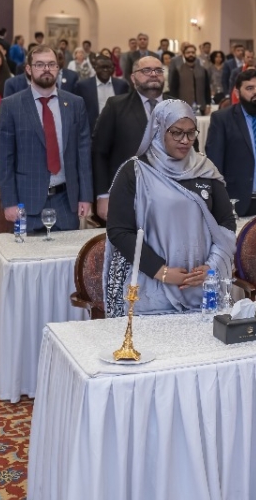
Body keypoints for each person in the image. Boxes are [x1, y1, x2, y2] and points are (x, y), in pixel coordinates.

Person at [103, 100, 237, 317]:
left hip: (201, 290)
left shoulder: (204, 169)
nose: (185, 141)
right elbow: (119, 231)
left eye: (191, 133)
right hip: (151, 291)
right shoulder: (135, 171)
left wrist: (211, 267)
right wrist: (161, 272)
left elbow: (226, 223)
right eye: (176, 133)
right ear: (159, 129)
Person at [0, 46, 94, 232]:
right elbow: (5, 158)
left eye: (51, 64)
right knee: (27, 259)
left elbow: (83, 153)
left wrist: (85, 196)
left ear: (58, 68)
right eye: (39, 65)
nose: (46, 69)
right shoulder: (11, 106)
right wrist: (9, 202)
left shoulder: (75, 103)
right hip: (26, 202)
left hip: (66, 201)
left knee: (67, 259)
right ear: (28, 69)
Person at [91, 55, 165, 221]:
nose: (154, 74)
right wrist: (102, 195)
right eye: (146, 70)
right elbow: (99, 152)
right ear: (133, 77)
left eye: (158, 70)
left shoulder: (177, 105)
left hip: (170, 197)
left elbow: (190, 151)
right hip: (127, 196)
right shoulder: (116, 106)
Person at [206, 69, 256, 217]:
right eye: (249, 88)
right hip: (239, 203)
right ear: (237, 93)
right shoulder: (222, 119)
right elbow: (214, 163)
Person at [77, 54, 130, 131]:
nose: (105, 70)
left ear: (113, 68)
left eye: (108, 67)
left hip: (117, 129)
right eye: (102, 67)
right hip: (93, 130)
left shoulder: (121, 85)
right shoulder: (83, 86)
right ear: (95, 68)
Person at [167, 44, 209, 113]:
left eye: (193, 52)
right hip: (182, 108)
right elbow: (173, 90)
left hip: (201, 107)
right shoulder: (178, 70)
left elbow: (207, 89)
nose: (191, 54)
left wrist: (208, 105)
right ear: (184, 55)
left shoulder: (203, 70)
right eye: (188, 53)